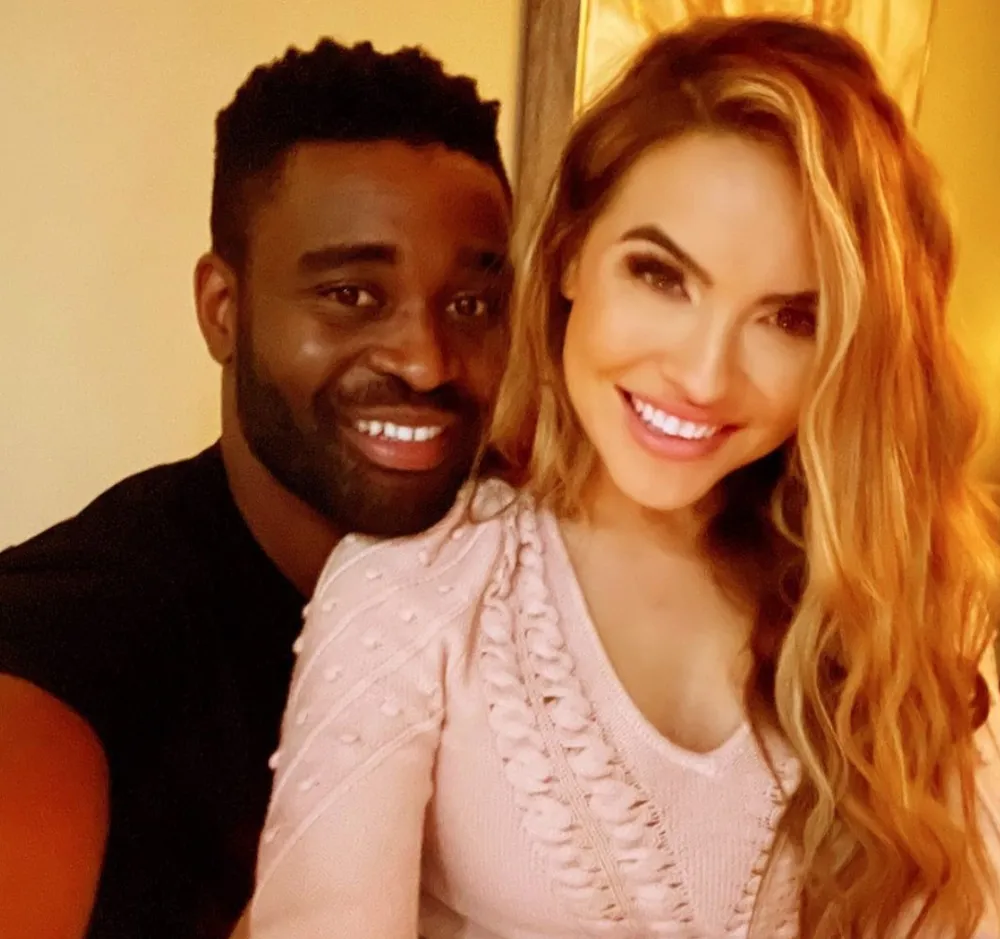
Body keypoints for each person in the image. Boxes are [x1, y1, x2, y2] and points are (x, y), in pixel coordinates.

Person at [247, 16, 1000, 939]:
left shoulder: (910, 603)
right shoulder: (417, 589)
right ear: (570, 253)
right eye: (661, 275)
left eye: (789, 318)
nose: (704, 376)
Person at [0, 38, 512, 939]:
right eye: (351, 294)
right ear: (222, 310)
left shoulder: (529, 581)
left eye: (469, 305)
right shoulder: (72, 637)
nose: (426, 361)